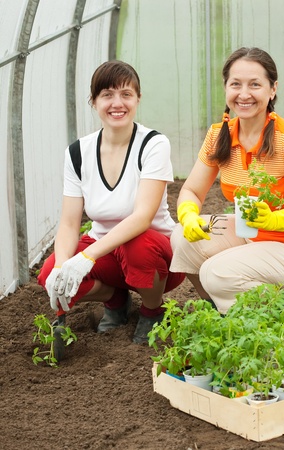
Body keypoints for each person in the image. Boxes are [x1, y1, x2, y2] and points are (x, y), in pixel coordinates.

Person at [38, 60, 184, 357]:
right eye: (107, 94)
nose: (117, 103)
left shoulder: (153, 144)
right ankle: (115, 300)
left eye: (126, 94)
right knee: (51, 272)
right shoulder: (79, 152)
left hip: (157, 255)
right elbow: (68, 223)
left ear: (138, 99)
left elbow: (142, 217)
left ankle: (152, 310)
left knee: (138, 246)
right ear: (93, 102)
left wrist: (87, 257)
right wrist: (66, 266)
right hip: (105, 252)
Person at [169, 47, 284, 314]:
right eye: (236, 84)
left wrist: (275, 220)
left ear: (272, 89)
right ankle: (222, 312)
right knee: (182, 238)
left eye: (255, 84)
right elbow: (192, 190)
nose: (244, 94)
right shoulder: (219, 135)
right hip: (249, 234)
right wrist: (187, 215)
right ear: (226, 88)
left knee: (215, 273)